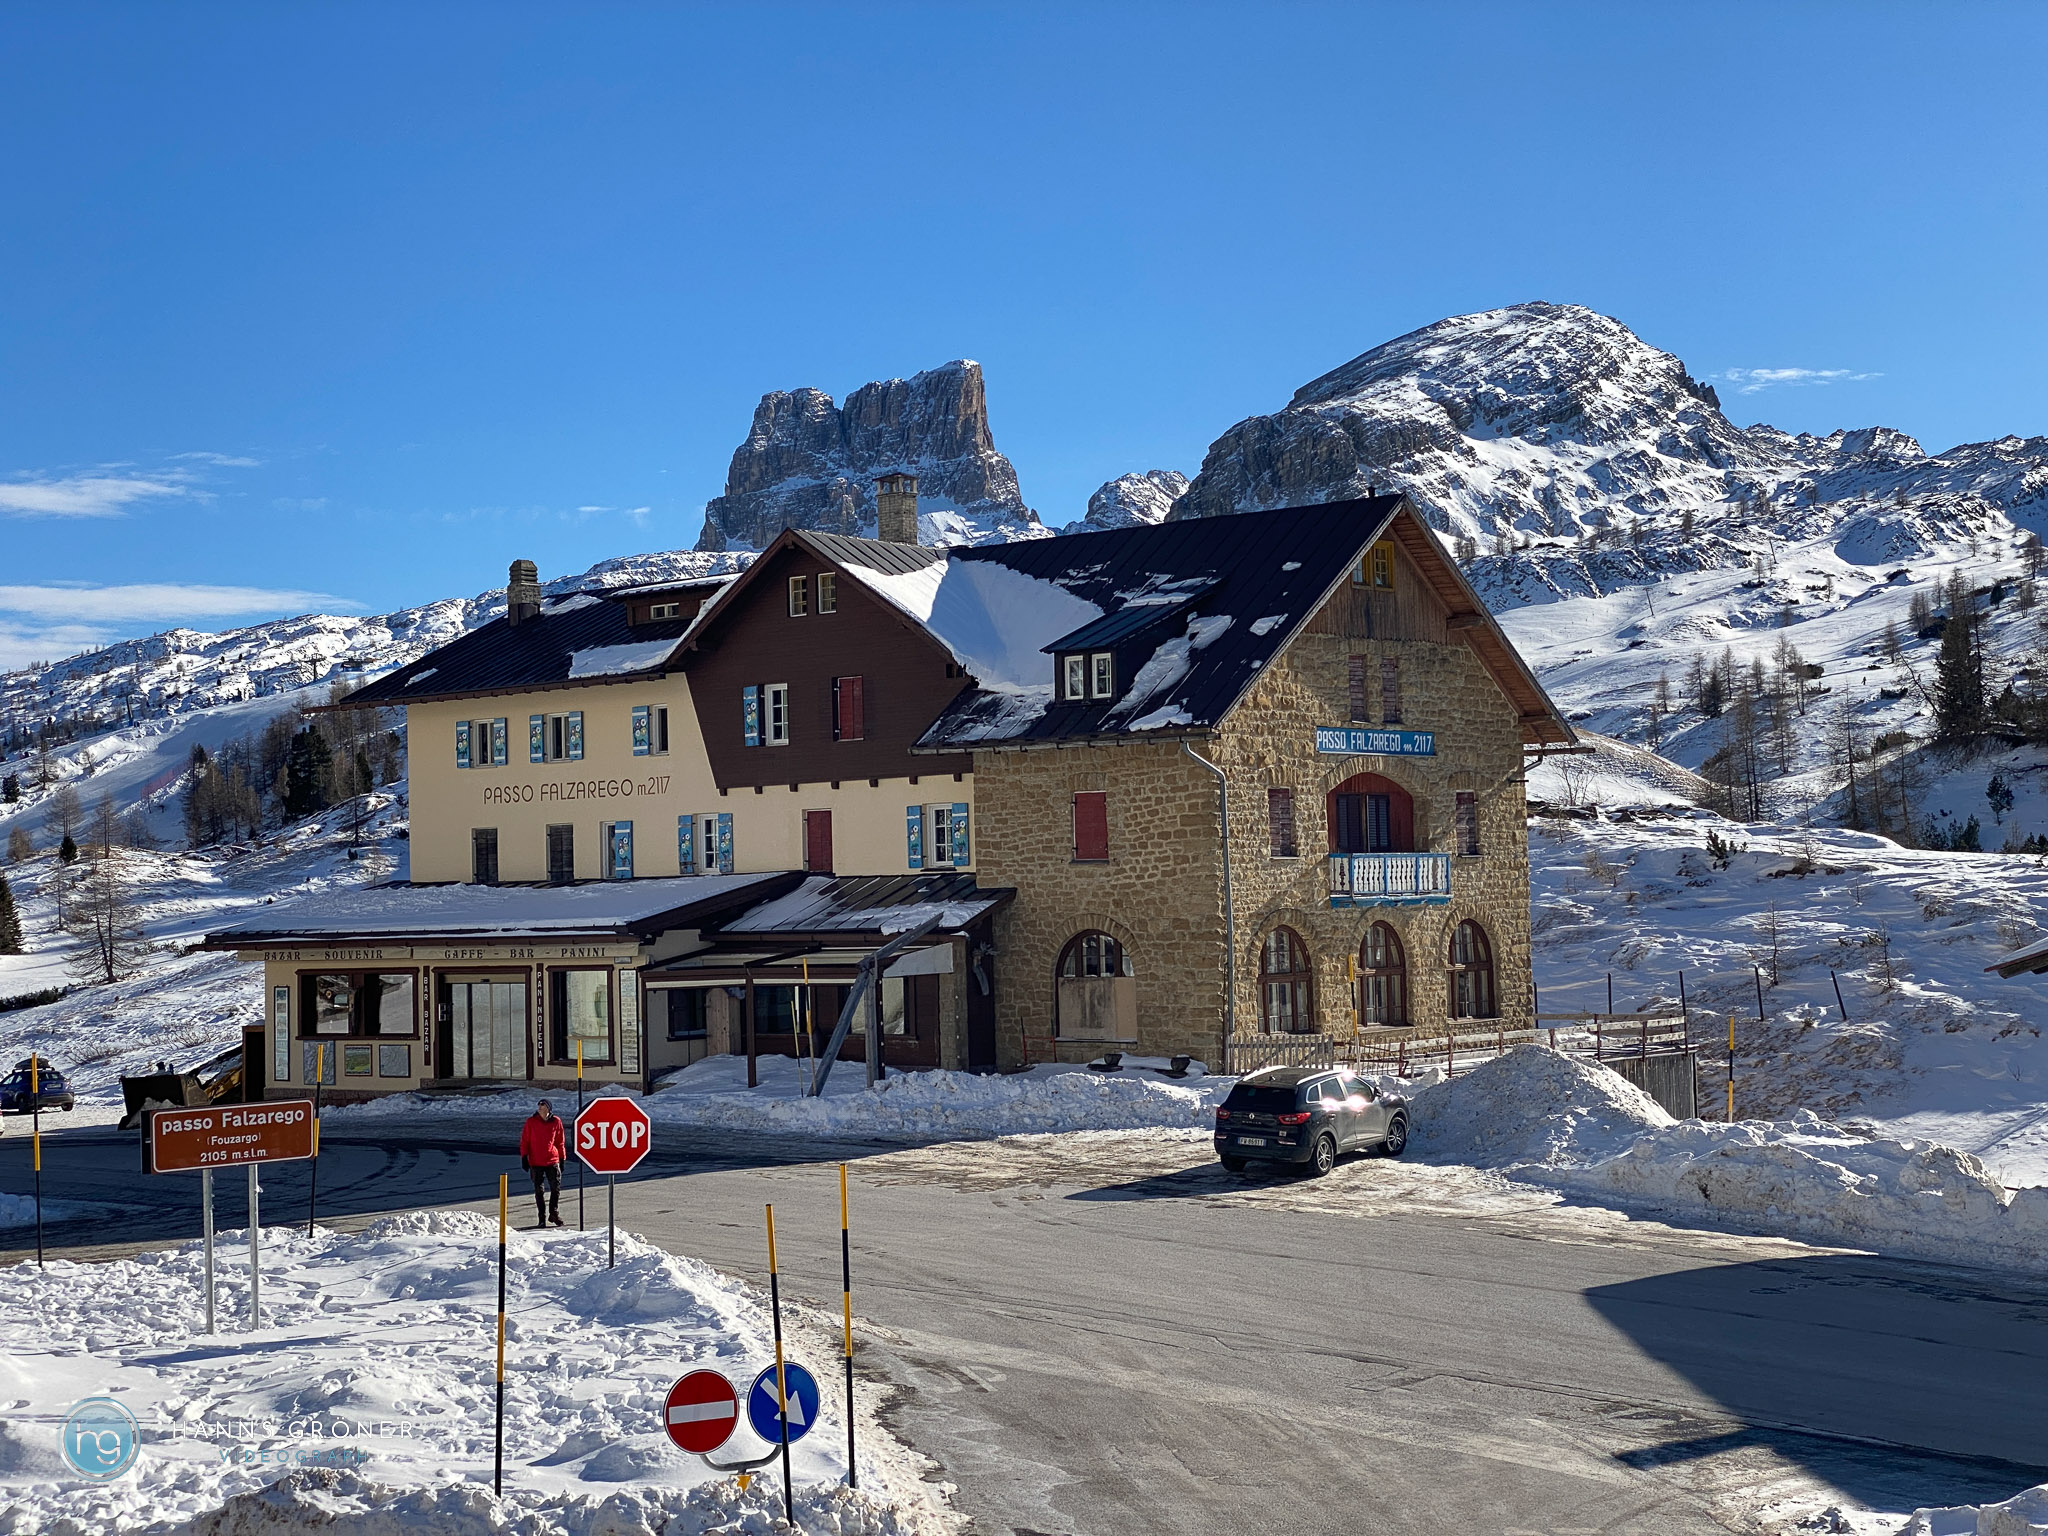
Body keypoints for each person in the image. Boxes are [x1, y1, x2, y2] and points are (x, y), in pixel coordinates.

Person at [519, 1098, 566, 1228]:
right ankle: (541, 1218)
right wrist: (524, 1157)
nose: (540, 1106)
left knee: (555, 1189)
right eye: (539, 1104)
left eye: (543, 1105)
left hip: (552, 1160)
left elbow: (560, 1142)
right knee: (539, 1191)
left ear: (548, 1108)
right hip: (536, 1161)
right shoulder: (531, 1122)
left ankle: (554, 1213)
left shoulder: (556, 1121)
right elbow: (524, 1141)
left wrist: (562, 1159)